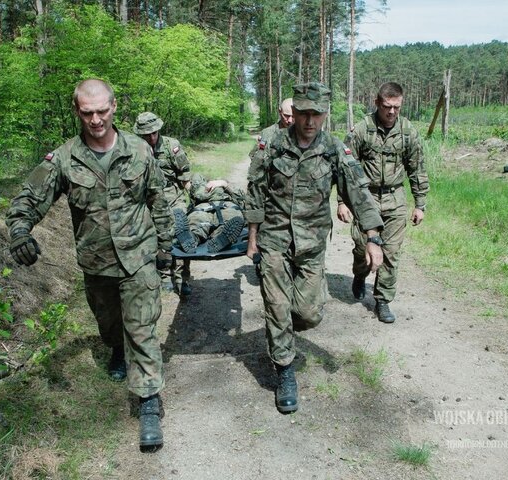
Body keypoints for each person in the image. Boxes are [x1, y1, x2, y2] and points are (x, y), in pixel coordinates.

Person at [6, 79, 172, 450]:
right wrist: (20, 230)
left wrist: (166, 247)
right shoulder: (64, 158)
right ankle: (115, 348)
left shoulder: (140, 152)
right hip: (96, 262)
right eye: (87, 112)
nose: (96, 119)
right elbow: (30, 198)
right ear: (77, 111)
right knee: (110, 324)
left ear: (114, 107)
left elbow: (159, 199)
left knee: (142, 328)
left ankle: (148, 403)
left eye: (102, 111)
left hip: (137, 257)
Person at [244, 82, 384, 414]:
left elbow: (359, 193)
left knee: (307, 314)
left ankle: (285, 330)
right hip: (274, 239)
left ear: (324, 115)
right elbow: (256, 191)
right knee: (278, 308)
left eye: (316, 115)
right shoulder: (272, 145)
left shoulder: (335, 149)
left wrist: (374, 238)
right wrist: (252, 240)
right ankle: (285, 371)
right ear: (294, 113)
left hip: (311, 242)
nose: (309, 121)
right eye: (304, 113)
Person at [338, 82, 430, 324]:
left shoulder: (408, 132)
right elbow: (345, 169)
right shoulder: (361, 130)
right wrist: (342, 201)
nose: (391, 112)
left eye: (396, 107)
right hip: (364, 198)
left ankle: (383, 300)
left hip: (395, 199)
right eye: (387, 106)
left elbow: (417, 168)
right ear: (377, 103)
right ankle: (360, 275)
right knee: (362, 248)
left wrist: (420, 204)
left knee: (390, 253)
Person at [134, 112, 193, 296]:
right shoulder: (134, 150)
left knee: (180, 234)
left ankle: (183, 277)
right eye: (146, 134)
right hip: (149, 200)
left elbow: (184, 176)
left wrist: (195, 199)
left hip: (173, 197)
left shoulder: (171, 145)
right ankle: (164, 274)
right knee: (155, 238)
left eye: (154, 133)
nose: (151, 138)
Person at [173, 173, 245, 254]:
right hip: (216, 207)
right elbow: (242, 201)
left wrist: (224, 184)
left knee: (199, 225)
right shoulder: (200, 187)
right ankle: (194, 238)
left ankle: (196, 238)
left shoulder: (226, 186)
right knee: (200, 223)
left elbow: (242, 199)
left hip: (212, 208)